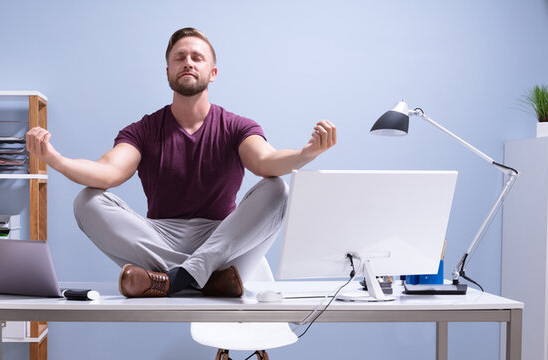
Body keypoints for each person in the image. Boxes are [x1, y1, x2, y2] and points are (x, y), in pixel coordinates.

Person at [26, 27, 336, 298]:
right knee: (87, 201)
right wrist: (57, 160)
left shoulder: (236, 126)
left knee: (277, 189)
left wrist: (304, 154)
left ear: (212, 72)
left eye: (197, 57)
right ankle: (204, 280)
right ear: (168, 71)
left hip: (221, 241)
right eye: (179, 57)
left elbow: (265, 161)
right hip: (161, 240)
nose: (188, 62)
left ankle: (175, 280)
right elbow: (108, 172)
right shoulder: (144, 129)